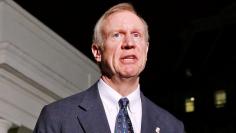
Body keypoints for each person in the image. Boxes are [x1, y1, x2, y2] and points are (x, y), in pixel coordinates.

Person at [33, 2, 184, 133]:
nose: (129, 43)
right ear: (97, 52)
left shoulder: (171, 127)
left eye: (136, 35)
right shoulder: (58, 117)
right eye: (117, 35)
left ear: (146, 49)